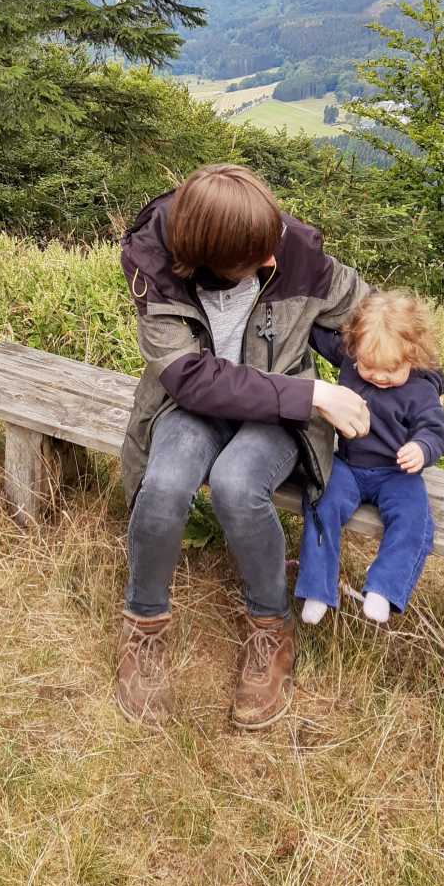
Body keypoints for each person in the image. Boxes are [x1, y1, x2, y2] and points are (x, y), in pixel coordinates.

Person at [116, 163, 372, 729]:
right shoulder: (155, 266)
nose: (271, 261)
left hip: (280, 417)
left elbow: (372, 318)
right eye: (255, 256)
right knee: (164, 484)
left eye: (271, 242)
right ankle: (144, 625)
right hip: (195, 405)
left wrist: (420, 390)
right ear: (207, 254)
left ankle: (269, 626)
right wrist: (310, 394)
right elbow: (189, 380)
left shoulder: (288, 247)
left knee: (236, 485)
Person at [295, 291, 444, 627]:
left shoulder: (421, 390)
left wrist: (421, 448)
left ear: (413, 356)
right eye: (367, 367)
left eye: (390, 370)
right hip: (348, 465)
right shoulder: (352, 358)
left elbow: (435, 432)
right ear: (354, 351)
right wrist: (299, 310)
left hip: (397, 473)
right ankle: (318, 589)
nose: (378, 376)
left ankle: (383, 587)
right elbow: (313, 331)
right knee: (321, 501)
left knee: (414, 520)